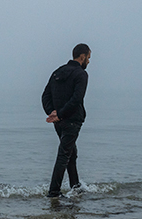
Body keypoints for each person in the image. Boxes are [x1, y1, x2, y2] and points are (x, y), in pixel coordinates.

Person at [42, 43, 91, 198]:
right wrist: (59, 114)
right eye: (88, 58)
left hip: (59, 121)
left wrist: (53, 113)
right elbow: (76, 99)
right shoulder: (81, 75)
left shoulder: (58, 72)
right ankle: (54, 192)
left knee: (71, 153)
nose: (89, 61)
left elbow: (45, 96)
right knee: (64, 154)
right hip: (71, 120)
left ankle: (76, 186)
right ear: (82, 56)